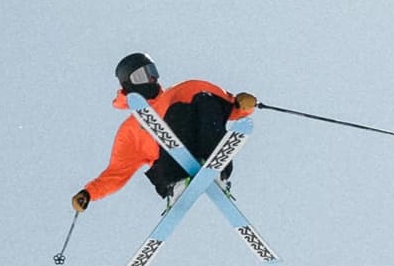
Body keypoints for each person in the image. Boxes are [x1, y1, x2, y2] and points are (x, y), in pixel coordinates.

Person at [71, 54, 259, 213]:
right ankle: (177, 185)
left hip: (204, 147)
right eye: (142, 75)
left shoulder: (183, 90)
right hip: (168, 169)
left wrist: (243, 103)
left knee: (202, 97)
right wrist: (89, 193)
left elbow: (229, 106)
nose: (151, 79)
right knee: (174, 112)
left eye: (152, 71)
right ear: (128, 85)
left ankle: (215, 168)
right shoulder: (130, 130)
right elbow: (116, 173)